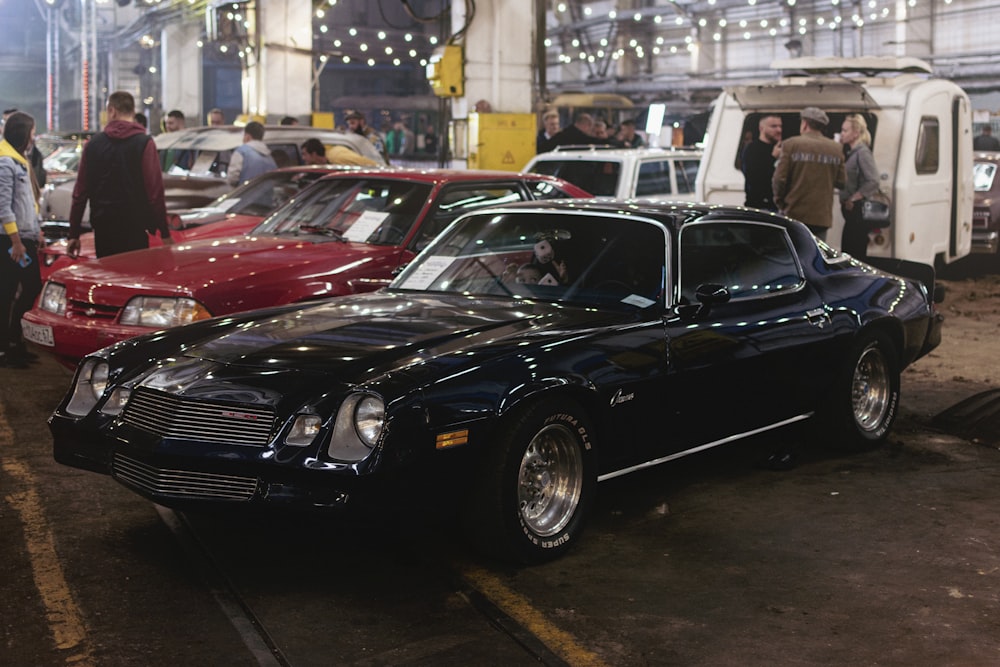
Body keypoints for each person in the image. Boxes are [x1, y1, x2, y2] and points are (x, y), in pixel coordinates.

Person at [68, 91, 171, 259]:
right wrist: (164, 232)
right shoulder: (144, 143)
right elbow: (155, 192)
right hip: (135, 228)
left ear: (112, 111)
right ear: (132, 111)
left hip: (103, 229)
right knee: (133, 278)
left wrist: (73, 234)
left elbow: (80, 193)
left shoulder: (93, 145)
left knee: (109, 278)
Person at [0, 111, 43, 368]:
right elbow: (4, 207)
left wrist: (36, 230)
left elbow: (27, 204)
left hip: (23, 239)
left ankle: (14, 342)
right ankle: (6, 348)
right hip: (11, 243)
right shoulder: (6, 163)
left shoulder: (19, 160)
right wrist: (16, 241)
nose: (34, 137)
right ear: (22, 134)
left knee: (24, 289)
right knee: (10, 292)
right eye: (32, 132)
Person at [772, 106, 846, 240]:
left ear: (804, 124)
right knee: (816, 255)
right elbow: (842, 182)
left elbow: (779, 179)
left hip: (794, 213)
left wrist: (780, 202)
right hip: (821, 217)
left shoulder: (791, 144)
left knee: (794, 255)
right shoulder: (836, 148)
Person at [839, 114, 882, 259]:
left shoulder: (862, 153)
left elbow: (873, 180)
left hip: (858, 212)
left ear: (856, 133)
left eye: (845, 131)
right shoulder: (852, 153)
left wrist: (854, 198)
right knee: (849, 249)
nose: (841, 134)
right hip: (851, 213)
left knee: (853, 251)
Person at [741, 114, 783, 211]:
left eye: (780, 126)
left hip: (777, 206)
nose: (779, 130)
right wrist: (772, 158)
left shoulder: (780, 149)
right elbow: (754, 178)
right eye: (773, 126)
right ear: (761, 128)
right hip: (758, 206)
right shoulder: (752, 149)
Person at [3, 108, 46, 189]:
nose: (33, 138)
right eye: (32, 134)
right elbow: (4, 199)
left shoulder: (33, 154)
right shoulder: (6, 162)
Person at [226, 121, 277, 186]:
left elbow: (232, 178)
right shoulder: (269, 156)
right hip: (267, 194)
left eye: (244, 135)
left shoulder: (241, 152)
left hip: (246, 194)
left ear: (247, 136)